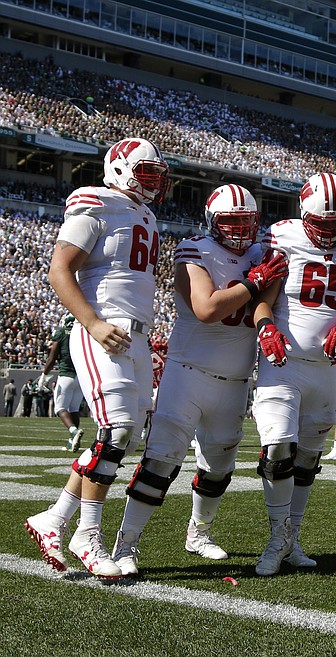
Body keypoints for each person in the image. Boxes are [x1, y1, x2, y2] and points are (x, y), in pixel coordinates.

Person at [110, 184, 289, 577]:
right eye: (232, 221)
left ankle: (199, 532)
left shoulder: (264, 255)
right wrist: (254, 281)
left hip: (237, 378)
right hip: (188, 372)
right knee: (160, 460)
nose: (241, 230)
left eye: (247, 221)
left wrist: (264, 281)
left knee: (219, 468)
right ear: (212, 221)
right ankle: (125, 545)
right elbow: (207, 308)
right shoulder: (196, 249)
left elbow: (266, 303)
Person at [24, 137, 171, 578]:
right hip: (104, 329)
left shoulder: (144, 213)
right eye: (145, 174)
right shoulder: (98, 202)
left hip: (134, 334)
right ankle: (87, 535)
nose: (152, 184)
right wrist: (93, 324)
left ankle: (53, 519)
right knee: (118, 430)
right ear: (120, 169)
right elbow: (59, 269)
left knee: (121, 435)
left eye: (156, 176)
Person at [250, 172, 336, 577]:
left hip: (326, 371)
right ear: (304, 214)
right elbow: (262, 302)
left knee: (308, 459)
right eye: (321, 225)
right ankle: (277, 538)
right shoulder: (283, 238)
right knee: (277, 448)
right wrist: (265, 327)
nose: (328, 233)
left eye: (335, 225)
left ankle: (292, 540)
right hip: (283, 366)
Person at [39, 312, 85, 451]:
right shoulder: (83, 333)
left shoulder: (61, 332)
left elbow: (52, 358)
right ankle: (72, 441)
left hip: (66, 375)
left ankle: (74, 431)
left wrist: (44, 376)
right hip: (80, 377)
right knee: (74, 409)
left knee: (60, 408)